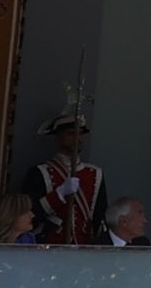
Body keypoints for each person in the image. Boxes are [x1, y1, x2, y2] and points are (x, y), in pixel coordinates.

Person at [27, 90, 104, 245]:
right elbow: (30, 214)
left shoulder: (95, 173)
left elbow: (99, 215)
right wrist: (59, 194)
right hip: (49, 244)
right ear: (58, 138)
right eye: (71, 133)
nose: (78, 138)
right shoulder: (40, 172)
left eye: (80, 134)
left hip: (82, 245)